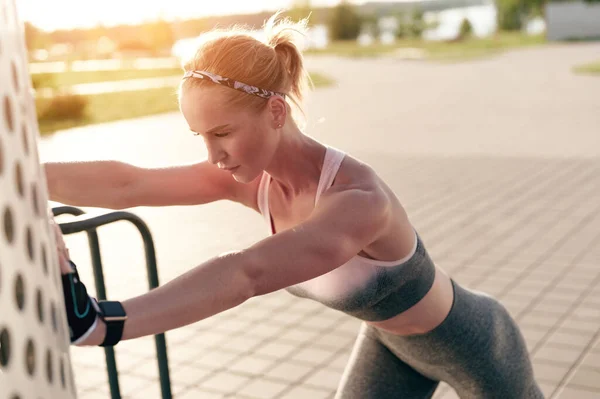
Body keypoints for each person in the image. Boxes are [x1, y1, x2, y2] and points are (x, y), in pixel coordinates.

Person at [46, 13, 544, 399]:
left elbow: (249, 273)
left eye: (222, 133)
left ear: (276, 112)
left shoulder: (357, 200)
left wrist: (104, 322)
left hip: (475, 344)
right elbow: (129, 184)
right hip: (391, 346)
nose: (213, 156)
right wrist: (22, 174)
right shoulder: (252, 183)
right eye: (200, 137)